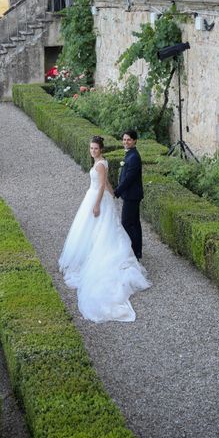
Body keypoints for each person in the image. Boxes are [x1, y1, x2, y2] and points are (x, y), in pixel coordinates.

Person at [59, 136, 150, 323]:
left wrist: (99, 203)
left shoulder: (100, 164)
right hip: (95, 196)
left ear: (101, 149)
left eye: (95, 148)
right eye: (91, 148)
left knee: (101, 230)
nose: (93, 151)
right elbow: (107, 184)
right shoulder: (101, 163)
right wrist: (113, 195)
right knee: (94, 231)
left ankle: (101, 257)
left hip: (95, 199)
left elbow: (101, 185)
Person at [113, 130, 143, 260]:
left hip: (132, 195)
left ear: (135, 141)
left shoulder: (134, 157)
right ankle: (137, 250)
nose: (126, 142)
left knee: (126, 223)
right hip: (132, 195)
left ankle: (133, 250)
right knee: (135, 223)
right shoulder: (130, 154)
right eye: (124, 139)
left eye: (129, 139)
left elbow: (129, 178)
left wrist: (117, 191)